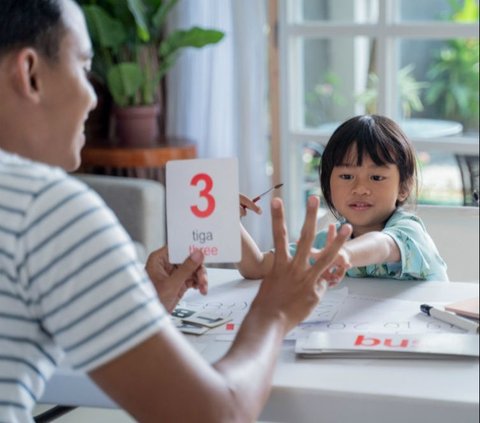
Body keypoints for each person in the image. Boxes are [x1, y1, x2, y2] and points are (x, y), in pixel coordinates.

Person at [0, 1, 352, 421]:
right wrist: (274, 312)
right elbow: (215, 415)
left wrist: (137, 304)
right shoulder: (47, 210)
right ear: (31, 74)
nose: (95, 98)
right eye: (83, 67)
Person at [239, 114, 448, 282]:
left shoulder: (409, 231)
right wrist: (227, 220)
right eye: (347, 176)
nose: (360, 188)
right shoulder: (328, 243)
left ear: (404, 187)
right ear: (328, 184)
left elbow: (382, 245)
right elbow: (256, 267)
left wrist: (343, 254)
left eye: (376, 177)